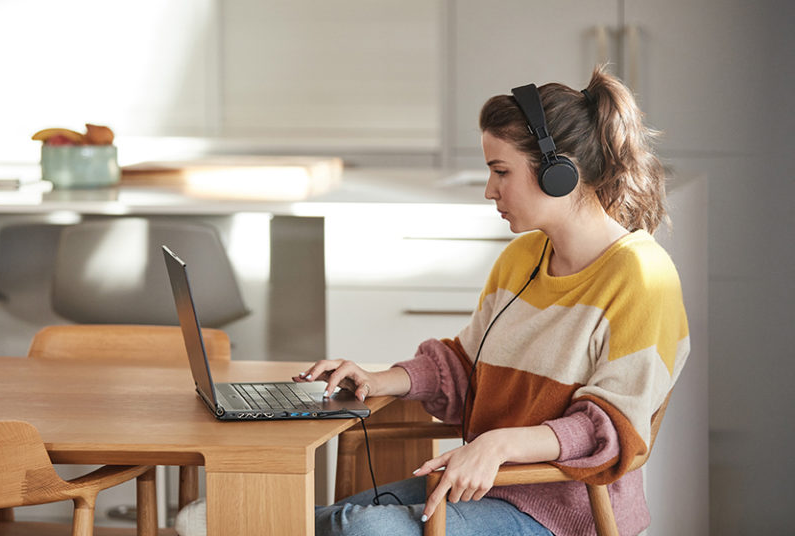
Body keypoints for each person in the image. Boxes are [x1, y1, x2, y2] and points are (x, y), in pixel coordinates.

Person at [296, 65, 690, 536]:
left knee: (357, 531)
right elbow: (467, 367)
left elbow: (613, 427)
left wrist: (499, 445)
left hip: (565, 510)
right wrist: (380, 379)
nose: (490, 191)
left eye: (501, 171)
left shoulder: (642, 276)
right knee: (307, 522)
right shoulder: (520, 258)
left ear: (559, 172)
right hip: (485, 487)